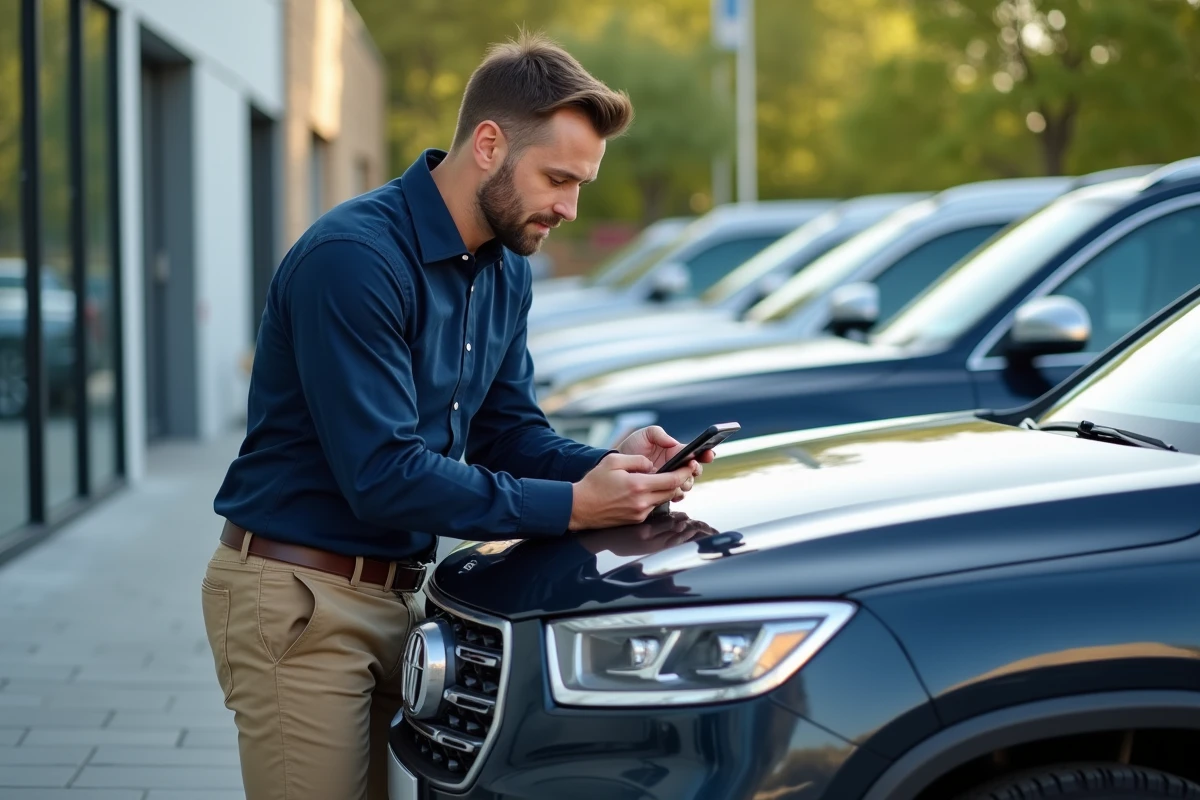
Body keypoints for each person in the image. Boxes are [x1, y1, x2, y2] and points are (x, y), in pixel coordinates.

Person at [200, 30, 714, 800]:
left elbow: (508, 433)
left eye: (582, 185)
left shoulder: (505, 269)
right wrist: (576, 506)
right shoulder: (355, 260)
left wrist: (617, 465)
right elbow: (383, 474)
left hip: (407, 599)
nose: (570, 208)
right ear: (487, 144)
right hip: (300, 600)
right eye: (557, 179)